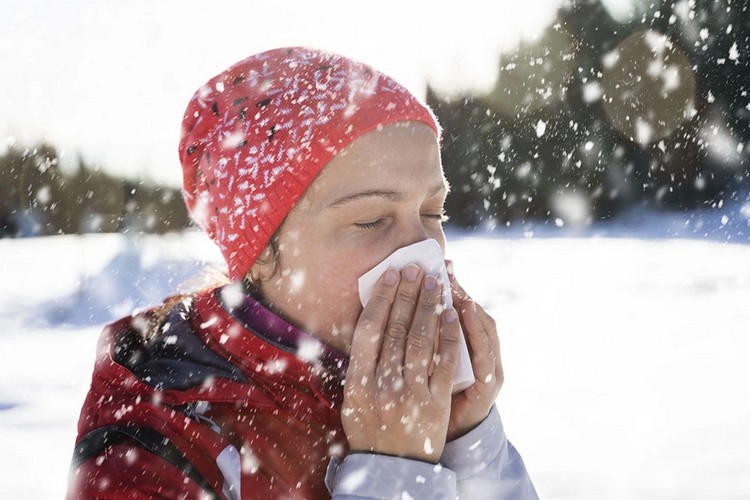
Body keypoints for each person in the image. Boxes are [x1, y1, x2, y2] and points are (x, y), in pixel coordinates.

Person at [67, 46, 538, 499]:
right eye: (371, 220)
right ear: (262, 252)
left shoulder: (395, 390)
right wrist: (393, 471)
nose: (422, 251)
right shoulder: (148, 449)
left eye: (433, 213)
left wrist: (471, 447)